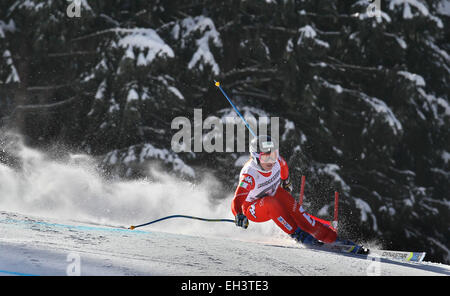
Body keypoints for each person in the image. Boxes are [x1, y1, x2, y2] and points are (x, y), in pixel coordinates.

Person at [231, 135, 339, 245]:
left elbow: (284, 167)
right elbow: (236, 200)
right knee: (270, 202)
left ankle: (331, 237)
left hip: (272, 193)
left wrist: (285, 182)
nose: (271, 162)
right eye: (265, 157)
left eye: (273, 155)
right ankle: (299, 235)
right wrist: (238, 214)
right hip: (253, 209)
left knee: (297, 210)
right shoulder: (250, 176)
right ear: (255, 157)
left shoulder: (277, 161)